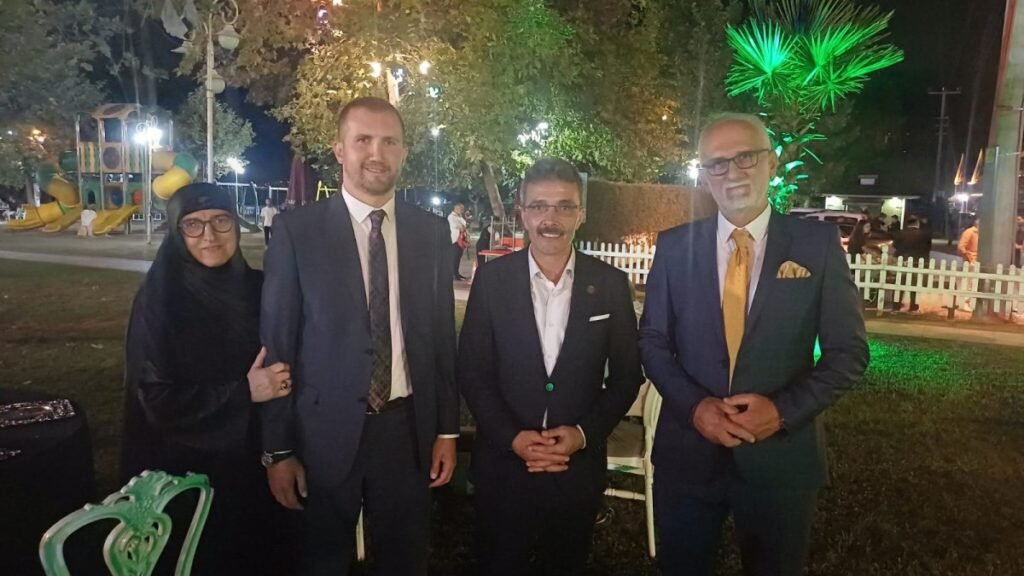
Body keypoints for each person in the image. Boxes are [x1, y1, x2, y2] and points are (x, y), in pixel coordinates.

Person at [639, 113, 869, 576]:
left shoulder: (817, 245)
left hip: (780, 459)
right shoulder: (675, 246)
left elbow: (848, 352)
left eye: (746, 157)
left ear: (771, 163)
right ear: (704, 174)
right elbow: (653, 341)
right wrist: (694, 407)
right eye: (717, 163)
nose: (732, 173)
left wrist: (781, 412)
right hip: (688, 454)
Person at [259, 96, 459, 576]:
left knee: (405, 560)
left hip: (405, 431)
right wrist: (278, 449)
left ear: (404, 151)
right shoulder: (297, 232)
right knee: (322, 560)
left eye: (389, 142)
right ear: (340, 149)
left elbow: (440, 339)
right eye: (363, 140)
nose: (376, 153)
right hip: (322, 432)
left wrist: (447, 430)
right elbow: (278, 346)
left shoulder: (430, 233)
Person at [458, 158, 643, 576]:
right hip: (504, 465)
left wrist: (582, 434)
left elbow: (627, 376)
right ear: (522, 212)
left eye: (564, 206)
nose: (550, 219)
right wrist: (512, 437)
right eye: (539, 206)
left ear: (581, 213)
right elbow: (472, 371)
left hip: (576, 467)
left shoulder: (610, 284)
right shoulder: (491, 281)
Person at [120, 183, 293, 575]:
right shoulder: (160, 301)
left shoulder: (261, 290)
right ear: (175, 232)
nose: (210, 235)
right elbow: (155, 398)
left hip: (259, 467)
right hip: (188, 477)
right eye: (193, 225)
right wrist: (245, 392)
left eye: (220, 220)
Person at [892, 217, 932, 313]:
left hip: (903, 261)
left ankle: (896, 306)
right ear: (917, 223)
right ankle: (914, 307)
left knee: (899, 284)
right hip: (917, 262)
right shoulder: (924, 235)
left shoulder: (900, 233)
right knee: (914, 285)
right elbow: (928, 248)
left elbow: (895, 245)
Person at [449, 202, 470, 280]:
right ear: (456, 208)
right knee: (454, 258)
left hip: (461, 240)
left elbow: (465, 225)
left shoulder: (460, 217)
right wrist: (462, 227)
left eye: (462, 209)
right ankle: (453, 274)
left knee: (458, 258)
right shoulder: (451, 217)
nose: (462, 210)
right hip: (455, 240)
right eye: (461, 209)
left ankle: (456, 273)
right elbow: (455, 226)